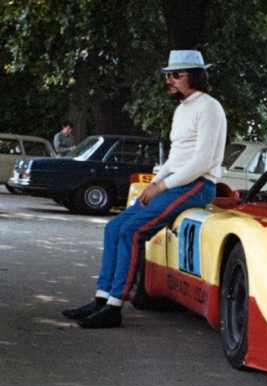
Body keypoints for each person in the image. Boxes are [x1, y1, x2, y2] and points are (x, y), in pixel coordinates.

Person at [62, 50, 227, 328]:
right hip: (175, 181)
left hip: (197, 184)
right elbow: (176, 157)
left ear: (196, 76)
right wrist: (154, 183)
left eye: (177, 75)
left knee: (132, 230)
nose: (170, 80)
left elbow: (202, 161)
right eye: (168, 75)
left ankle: (114, 307)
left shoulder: (209, 107)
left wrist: (163, 184)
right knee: (113, 227)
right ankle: (101, 298)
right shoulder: (183, 108)